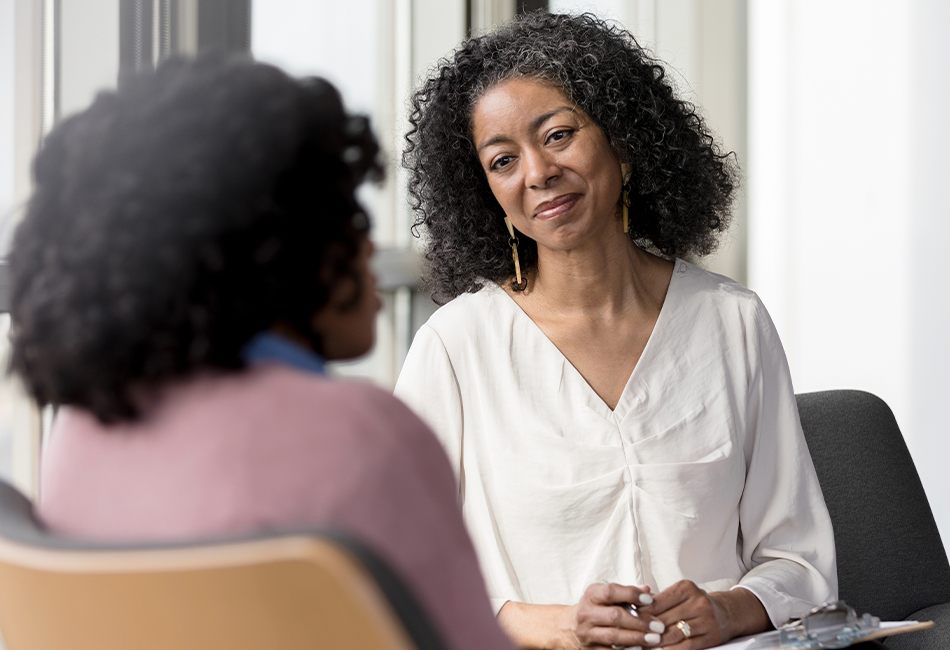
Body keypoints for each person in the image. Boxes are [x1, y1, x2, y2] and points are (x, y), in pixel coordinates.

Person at [7, 54, 514, 650]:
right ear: (280, 249)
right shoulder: (361, 437)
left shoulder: (85, 428)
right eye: (347, 215)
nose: (367, 246)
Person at [395, 12, 839, 650]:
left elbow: (800, 562)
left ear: (624, 144)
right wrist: (560, 628)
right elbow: (406, 574)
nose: (537, 173)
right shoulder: (456, 347)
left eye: (559, 135)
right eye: (502, 160)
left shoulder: (732, 322)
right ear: (485, 191)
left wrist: (725, 610)